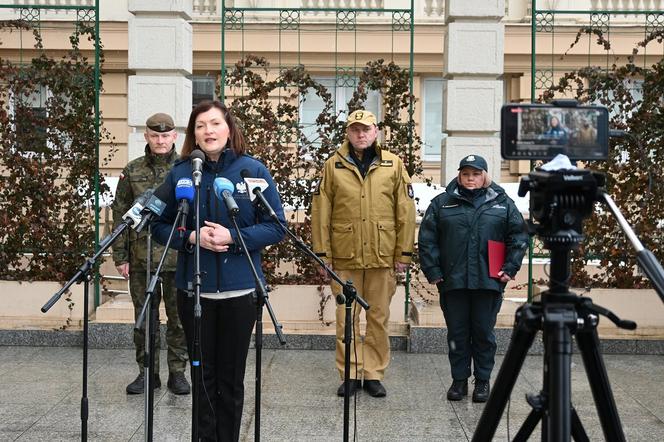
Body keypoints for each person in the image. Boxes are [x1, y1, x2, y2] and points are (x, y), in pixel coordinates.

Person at [151, 100, 285, 441]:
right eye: (200, 126)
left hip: (240, 294)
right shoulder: (180, 173)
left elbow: (276, 227)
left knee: (231, 377)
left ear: (229, 128)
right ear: (193, 134)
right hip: (195, 294)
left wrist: (234, 237)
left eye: (214, 124)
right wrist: (192, 237)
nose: (207, 131)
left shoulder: (252, 170)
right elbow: (159, 225)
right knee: (203, 378)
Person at [311, 109, 416, 398]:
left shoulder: (393, 164)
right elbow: (321, 212)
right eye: (355, 129)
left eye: (366, 129)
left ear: (376, 131)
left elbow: (405, 212)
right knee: (347, 318)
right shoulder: (333, 166)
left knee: (378, 318)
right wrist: (323, 255)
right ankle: (350, 374)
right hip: (345, 257)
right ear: (348, 132)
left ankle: (373, 373)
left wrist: (403, 254)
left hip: (382, 257)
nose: (361, 134)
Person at [418, 154, 527, 403]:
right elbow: (427, 240)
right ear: (459, 175)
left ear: (484, 176)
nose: (470, 179)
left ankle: (483, 381)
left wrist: (509, 268)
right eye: (466, 174)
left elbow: (519, 237)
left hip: (488, 283)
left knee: (483, 333)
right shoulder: (442, 203)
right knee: (457, 333)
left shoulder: (502, 203)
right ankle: (459, 381)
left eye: (475, 174)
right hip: (453, 282)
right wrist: (433, 272)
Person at [111, 112, 190, 395]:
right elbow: (120, 215)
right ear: (146, 137)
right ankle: (147, 373)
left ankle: (178, 374)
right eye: (155, 135)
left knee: (178, 321)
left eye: (165, 135)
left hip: (178, 259)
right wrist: (120, 257)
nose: (160, 140)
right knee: (145, 321)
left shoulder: (185, 170)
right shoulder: (132, 171)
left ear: (174, 137)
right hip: (142, 260)